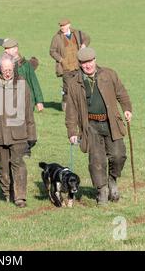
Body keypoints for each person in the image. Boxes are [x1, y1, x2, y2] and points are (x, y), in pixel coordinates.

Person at [65, 47, 132, 206]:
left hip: (111, 123)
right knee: (96, 160)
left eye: (90, 61)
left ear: (95, 60)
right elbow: (71, 110)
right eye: (84, 63)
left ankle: (112, 179)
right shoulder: (74, 83)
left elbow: (121, 93)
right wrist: (72, 131)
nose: (88, 65)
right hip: (91, 126)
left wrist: (127, 109)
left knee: (118, 155)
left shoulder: (109, 74)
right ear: (80, 64)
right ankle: (101, 190)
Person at [0, 53, 37, 208]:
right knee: (3, 167)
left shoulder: (22, 83)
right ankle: (7, 193)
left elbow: (28, 111)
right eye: (5, 69)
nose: (8, 72)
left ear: (14, 68)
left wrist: (32, 134)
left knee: (18, 163)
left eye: (10, 69)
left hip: (18, 133)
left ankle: (20, 197)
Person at [0, 39, 44, 112]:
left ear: (15, 49)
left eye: (7, 49)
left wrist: (39, 101)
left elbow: (34, 82)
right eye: (5, 49)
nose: (5, 51)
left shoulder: (26, 65)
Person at [49, 18, 90, 111]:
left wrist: (84, 45)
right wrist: (60, 60)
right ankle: (65, 106)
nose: (62, 27)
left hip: (79, 66)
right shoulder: (56, 37)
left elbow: (87, 38)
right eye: (61, 26)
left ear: (69, 25)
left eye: (64, 25)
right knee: (67, 88)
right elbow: (52, 51)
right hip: (66, 67)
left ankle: (81, 105)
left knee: (82, 85)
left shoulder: (77, 33)